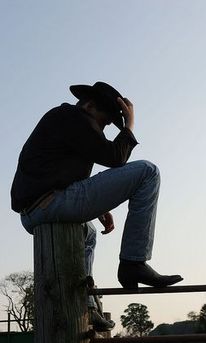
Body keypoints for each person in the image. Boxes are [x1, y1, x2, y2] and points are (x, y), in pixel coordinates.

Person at [11, 81, 183, 330]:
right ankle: (133, 262)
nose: (102, 129)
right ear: (89, 105)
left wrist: (101, 210)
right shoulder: (71, 115)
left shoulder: (66, 124)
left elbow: (61, 171)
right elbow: (115, 157)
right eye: (104, 121)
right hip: (49, 203)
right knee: (148, 171)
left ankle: (87, 307)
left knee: (88, 234)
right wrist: (129, 124)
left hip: (36, 209)